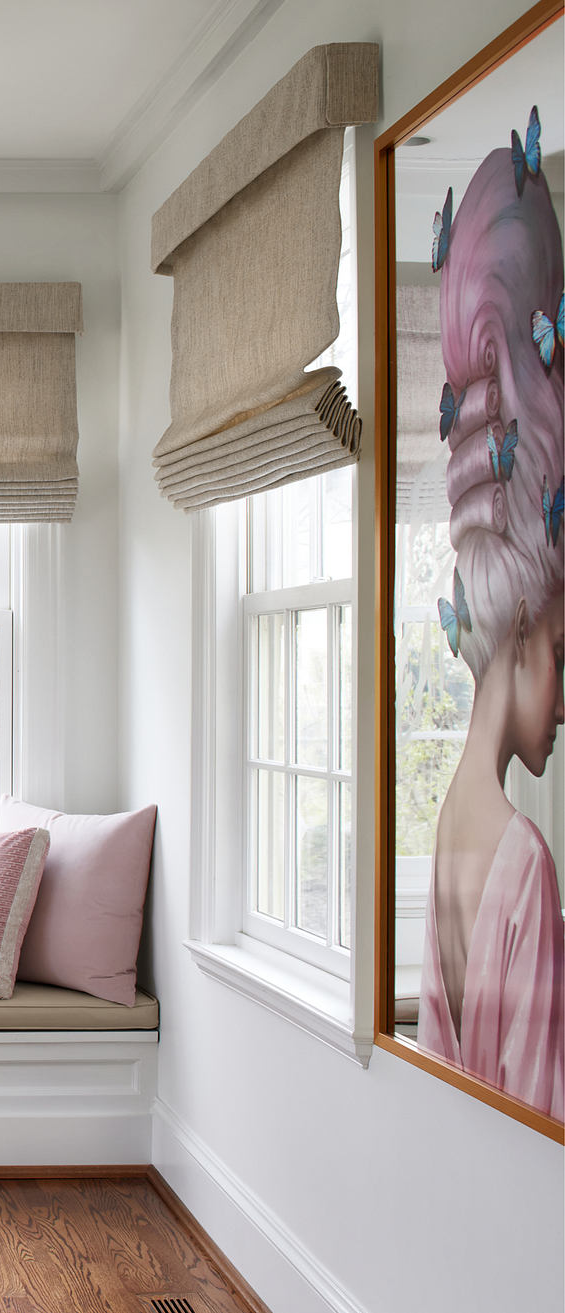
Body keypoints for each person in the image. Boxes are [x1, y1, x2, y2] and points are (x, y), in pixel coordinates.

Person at [417, 135, 564, 1121]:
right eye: (563, 653)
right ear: (518, 642)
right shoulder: (527, 859)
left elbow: (441, 1058)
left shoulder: (447, 823)